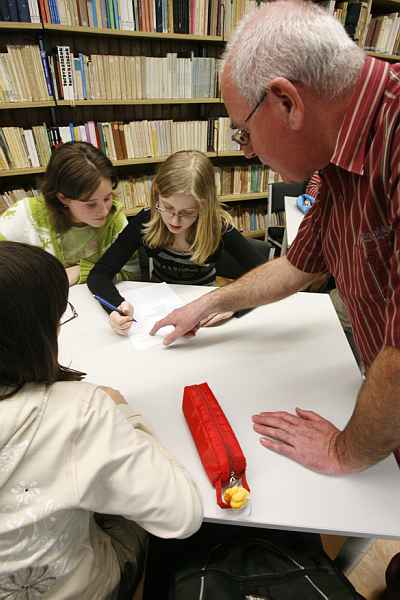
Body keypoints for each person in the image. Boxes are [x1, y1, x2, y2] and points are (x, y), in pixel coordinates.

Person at [150, 0, 400, 477]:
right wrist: (208, 304)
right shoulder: (332, 160)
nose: (246, 153)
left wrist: (343, 451)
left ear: (287, 102)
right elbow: (297, 266)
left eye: (243, 132)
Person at [0, 241, 202, 598]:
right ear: (33, 332)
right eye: (57, 316)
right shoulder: (78, 410)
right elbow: (182, 515)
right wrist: (122, 412)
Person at [87, 150, 266, 335]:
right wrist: (116, 307)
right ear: (157, 195)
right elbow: (99, 274)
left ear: (204, 206)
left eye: (187, 212)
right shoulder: (146, 220)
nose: (174, 221)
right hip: (157, 304)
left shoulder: (217, 228)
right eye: (167, 207)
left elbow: (266, 276)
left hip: (204, 305)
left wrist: (234, 305)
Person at [0, 141, 140, 285]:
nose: (104, 211)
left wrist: (81, 271)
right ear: (63, 198)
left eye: (107, 198)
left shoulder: (114, 218)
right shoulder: (25, 216)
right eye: (91, 204)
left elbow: (131, 274)